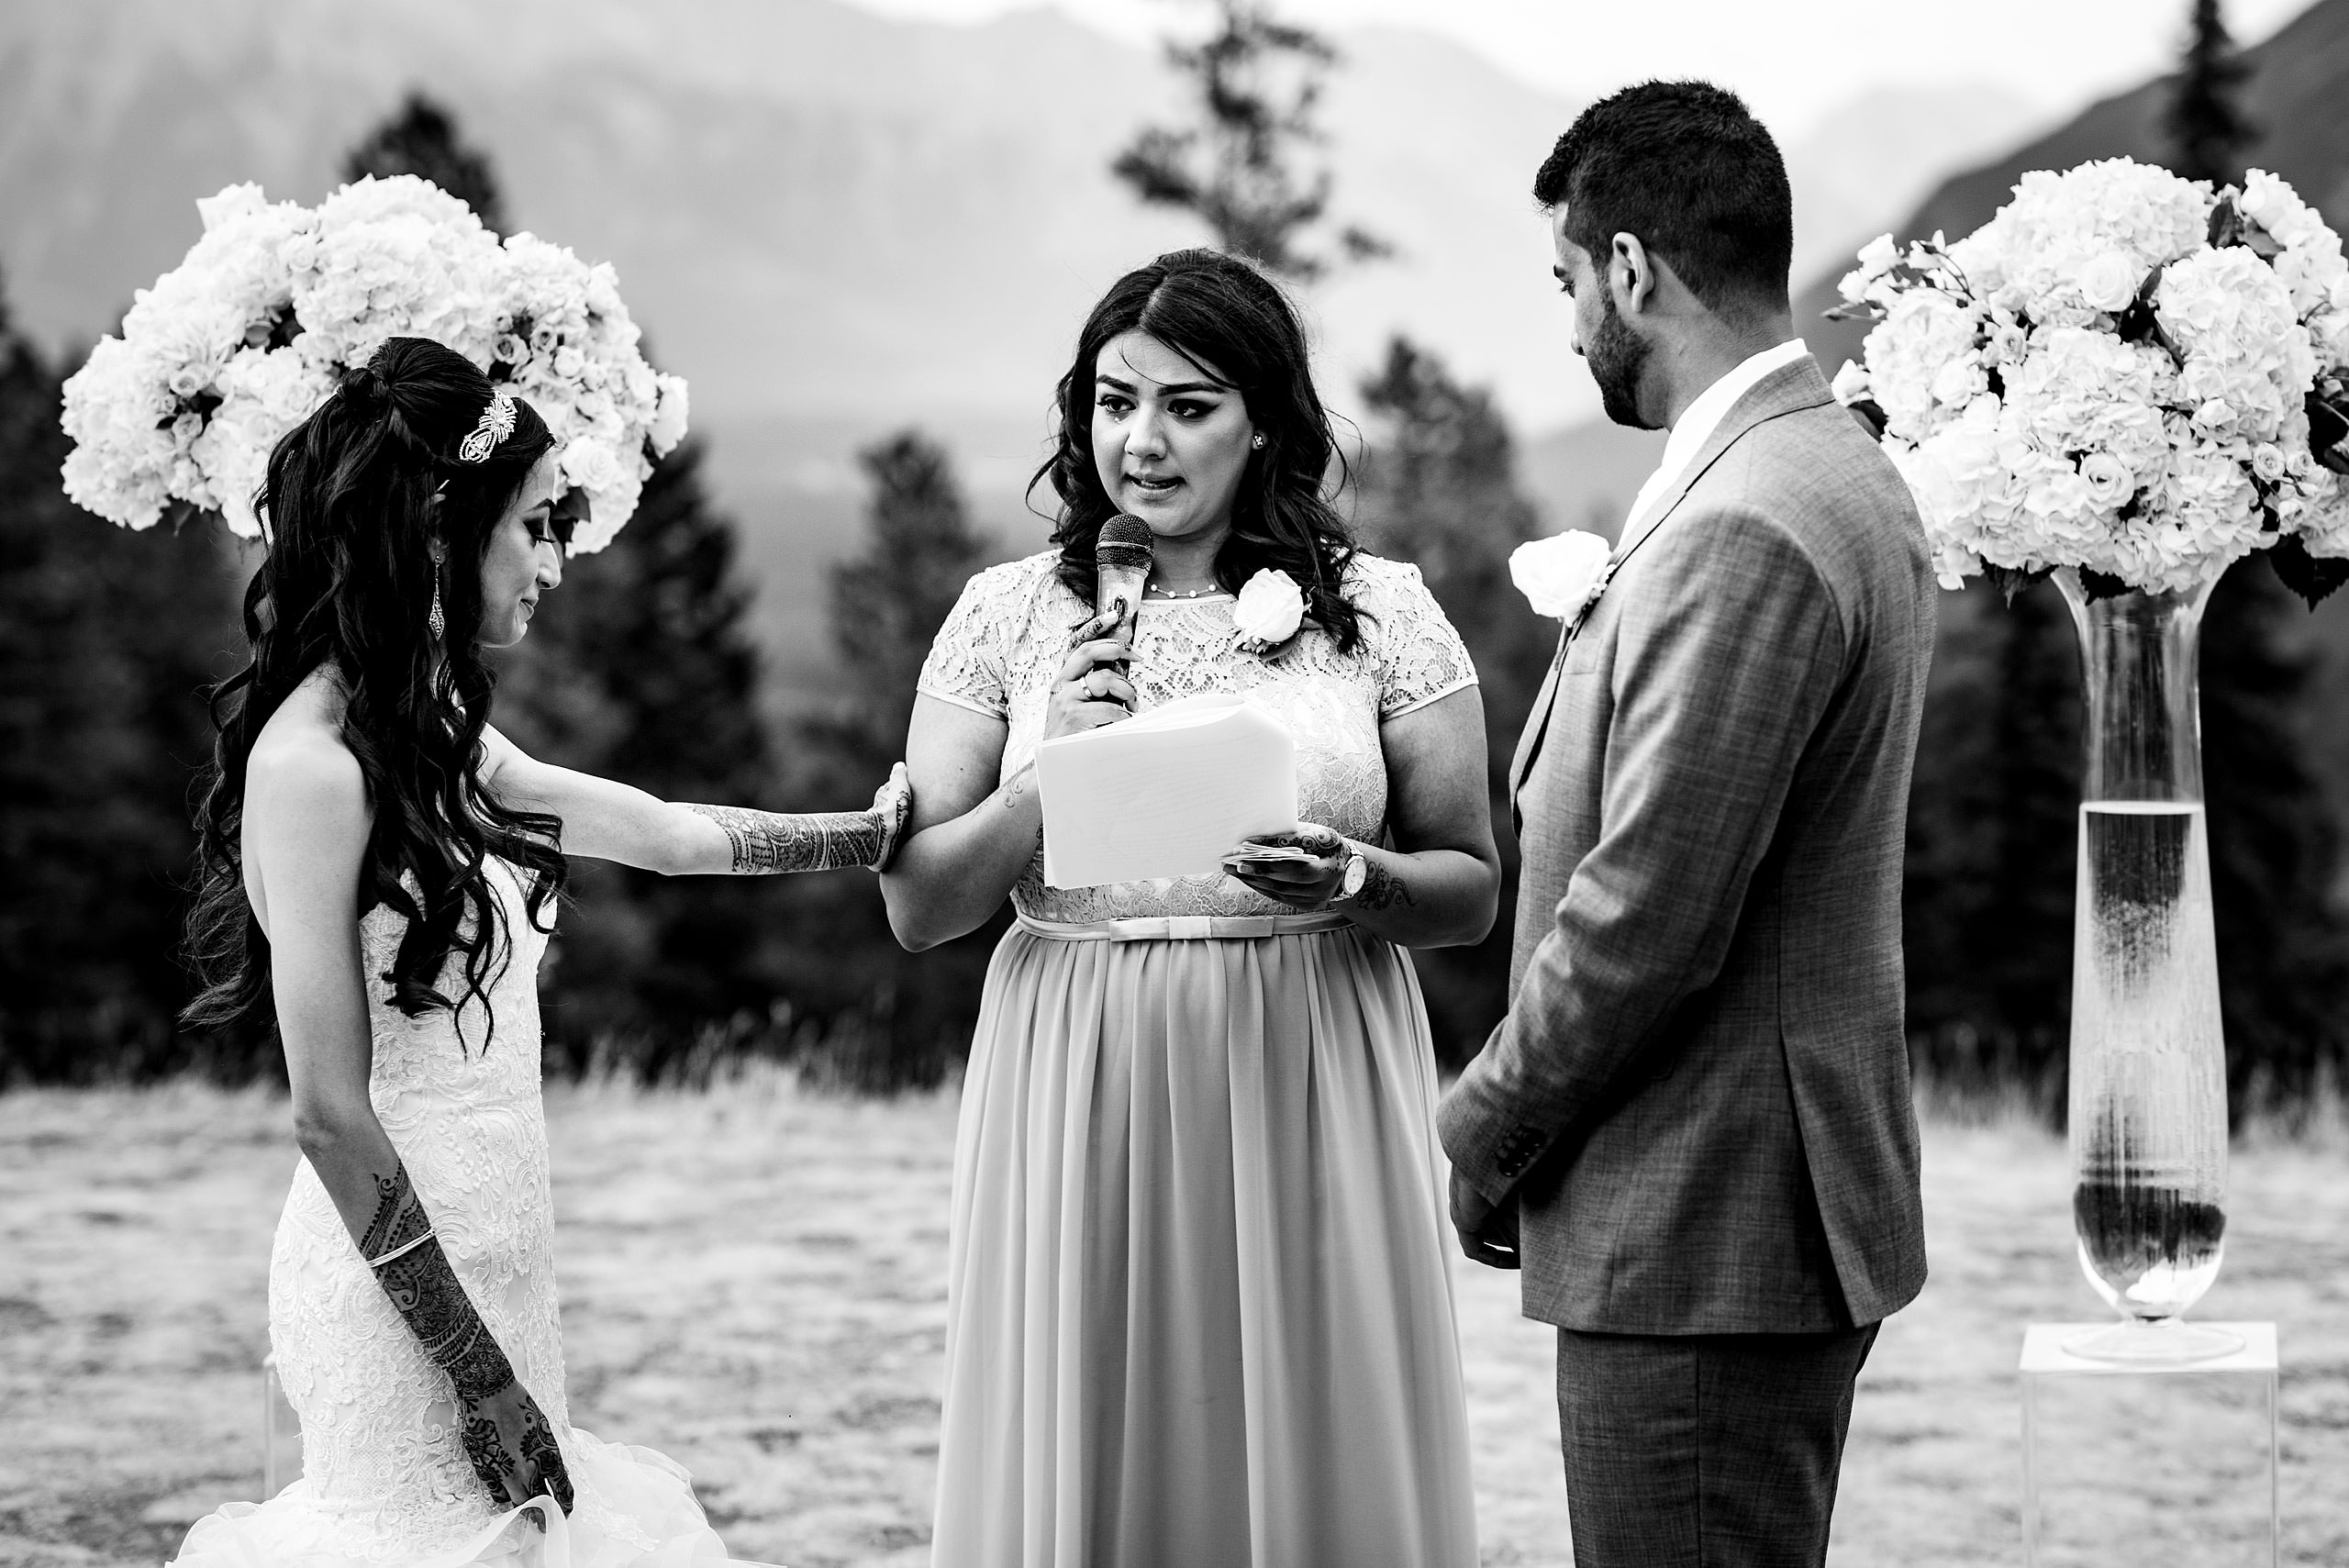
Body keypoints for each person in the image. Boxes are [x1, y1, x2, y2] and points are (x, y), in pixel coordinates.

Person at [169, 336, 909, 1568]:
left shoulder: (431, 721)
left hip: (506, 1256)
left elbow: (661, 835)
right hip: (400, 1305)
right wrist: (478, 1379)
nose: (556, 561)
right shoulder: (309, 767)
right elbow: (327, 1116)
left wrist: (864, 835)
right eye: (535, 524)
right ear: (440, 534)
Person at [884, 249, 1497, 1568]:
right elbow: (923, 906)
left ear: (1264, 418)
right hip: (1077, 1064)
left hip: (1308, 1058)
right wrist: (1045, 778)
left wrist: (1359, 877)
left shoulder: (1382, 613)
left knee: (1304, 1413)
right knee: (1101, 1422)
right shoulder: (1006, 617)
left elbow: (1472, 888)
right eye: (1113, 402)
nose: (1139, 442)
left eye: (1186, 405)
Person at [1436, 82, 1936, 1568]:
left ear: (1634, 267)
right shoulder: (1815, 465)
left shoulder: (1747, 519)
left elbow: (1649, 912)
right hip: (1730, 1214)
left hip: (1707, 1223)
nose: (1570, 317)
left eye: (1569, 280)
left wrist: (1485, 1128)